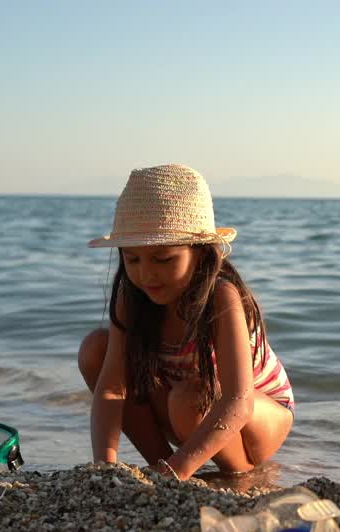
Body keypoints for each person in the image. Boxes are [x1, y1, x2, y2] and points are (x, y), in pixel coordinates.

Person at [78, 164, 294, 481]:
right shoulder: (132, 300)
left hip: (256, 417)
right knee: (96, 348)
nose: (146, 274)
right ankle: (161, 468)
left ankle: (239, 475)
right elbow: (111, 389)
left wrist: (181, 468)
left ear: (201, 253)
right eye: (132, 259)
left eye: (163, 259)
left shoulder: (222, 298)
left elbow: (239, 400)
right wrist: (104, 466)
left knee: (190, 397)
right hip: (188, 405)